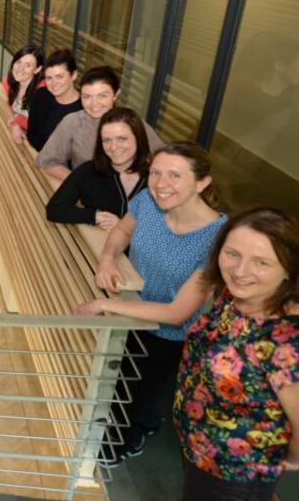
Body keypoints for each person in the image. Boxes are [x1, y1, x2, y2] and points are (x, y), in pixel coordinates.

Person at [76, 208, 299, 500]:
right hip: (199, 447)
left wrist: (292, 457)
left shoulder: (286, 340)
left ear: (288, 269)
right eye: (232, 254)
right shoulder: (233, 297)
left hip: (233, 471)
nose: (241, 270)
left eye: (261, 262)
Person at [88, 141, 227, 466]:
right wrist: (108, 259)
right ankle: (143, 421)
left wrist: (104, 305)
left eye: (175, 176)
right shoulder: (149, 200)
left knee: (141, 389)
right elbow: (123, 229)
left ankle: (128, 440)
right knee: (122, 380)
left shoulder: (217, 237)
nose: (162, 184)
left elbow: (178, 312)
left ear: (202, 182)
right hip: (131, 312)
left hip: (168, 334)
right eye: (156, 173)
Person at [35, 66, 163, 180]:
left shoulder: (133, 122)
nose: (94, 104)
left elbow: (163, 158)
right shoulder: (73, 122)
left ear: (116, 94)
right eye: (87, 97)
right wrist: (79, 184)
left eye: (102, 96)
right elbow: (47, 160)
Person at [46, 108, 150, 229]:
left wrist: (123, 229)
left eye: (122, 139)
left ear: (138, 138)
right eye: (107, 140)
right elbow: (55, 209)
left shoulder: (155, 177)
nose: (114, 147)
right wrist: (95, 216)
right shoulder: (88, 171)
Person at [27, 49, 82, 152]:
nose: (54, 83)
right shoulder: (41, 96)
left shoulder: (85, 108)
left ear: (74, 75)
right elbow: (32, 135)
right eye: (49, 78)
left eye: (59, 77)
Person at [3, 45, 45, 145]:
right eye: (18, 62)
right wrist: (15, 123)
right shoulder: (8, 83)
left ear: (37, 69)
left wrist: (16, 121)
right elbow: (7, 104)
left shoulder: (43, 91)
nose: (20, 68)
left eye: (28, 65)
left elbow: (41, 126)